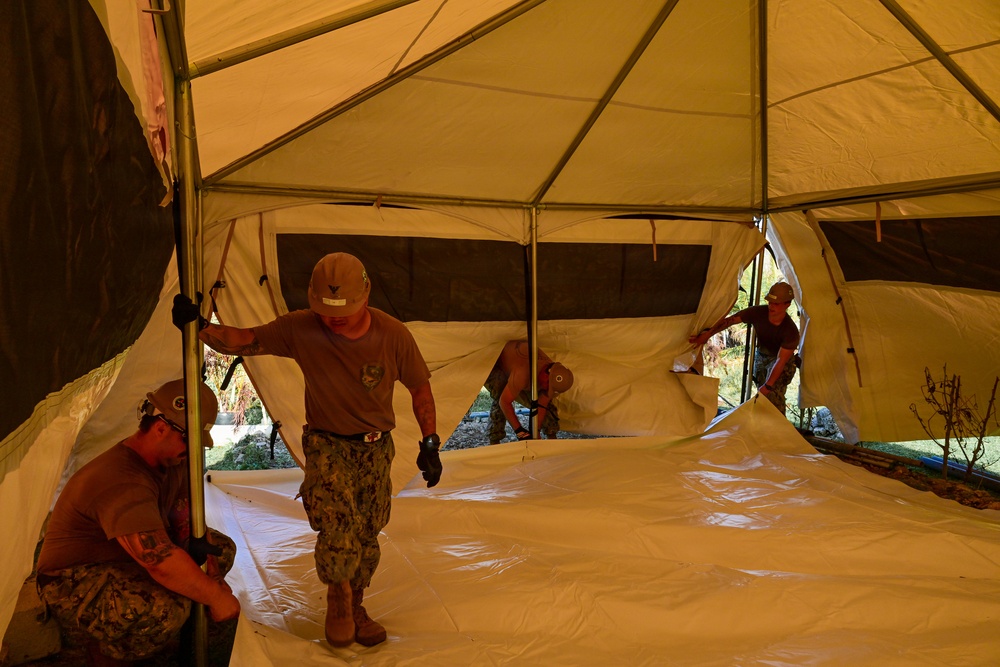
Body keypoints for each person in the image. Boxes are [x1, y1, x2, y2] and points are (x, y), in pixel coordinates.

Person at [172, 251, 441, 649]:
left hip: (375, 447)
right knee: (337, 522)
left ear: (366, 295)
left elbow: (420, 389)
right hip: (326, 443)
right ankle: (337, 595)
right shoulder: (301, 327)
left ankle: (355, 602)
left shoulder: (392, 335)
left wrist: (430, 442)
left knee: (368, 533)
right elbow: (243, 339)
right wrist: (198, 326)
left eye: (344, 309)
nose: (334, 318)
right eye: (326, 308)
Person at [35, 379, 241, 667]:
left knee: (222, 548)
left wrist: (214, 579)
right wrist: (215, 598)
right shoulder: (121, 478)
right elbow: (159, 560)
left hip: (121, 556)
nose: (193, 451)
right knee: (167, 607)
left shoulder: (174, 463)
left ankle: (164, 639)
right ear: (160, 428)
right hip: (73, 576)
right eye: (189, 441)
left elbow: (187, 525)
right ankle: (106, 651)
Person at [688, 281, 800, 414]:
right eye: (770, 302)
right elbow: (729, 321)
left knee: (773, 399)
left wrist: (768, 385)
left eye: (776, 303)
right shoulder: (758, 312)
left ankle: (776, 430)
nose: (771, 306)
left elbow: (781, 361)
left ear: (787, 304)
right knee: (761, 398)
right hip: (762, 356)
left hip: (780, 363)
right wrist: (707, 335)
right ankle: (759, 426)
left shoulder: (790, 331)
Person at [485, 340, 575, 444]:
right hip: (495, 362)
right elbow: (504, 402)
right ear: (546, 373)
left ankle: (552, 436)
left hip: (518, 369)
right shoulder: (523, 373)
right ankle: (494, 438)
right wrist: (520, 432)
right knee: (500, 392)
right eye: (547, 385)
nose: (546, 388)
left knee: (547, 405)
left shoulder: (553, 373)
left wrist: (535, 432)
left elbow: (541, 405)